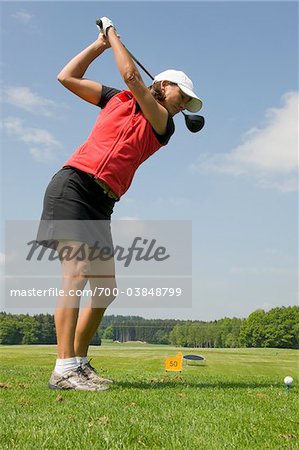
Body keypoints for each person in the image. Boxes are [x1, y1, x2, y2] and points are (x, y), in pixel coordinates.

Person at [36, 17, 202, 391]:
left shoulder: (163, 123)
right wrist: (99, 44)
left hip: (102, 201)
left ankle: (78, 362)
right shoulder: (117, 99)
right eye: (184, 97)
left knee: (105, 288)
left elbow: (131, 77)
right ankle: (63, 369)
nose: (184, 105)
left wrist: (113, 35)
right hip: (74, 185)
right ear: (164, 84)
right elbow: (66, 77)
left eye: (189, 103)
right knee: (76, 272)